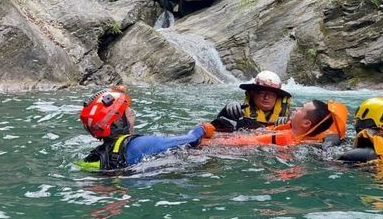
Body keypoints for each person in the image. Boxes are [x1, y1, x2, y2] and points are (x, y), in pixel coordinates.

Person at [78, 86, 214, 171]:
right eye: (126, 111)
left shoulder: (96, 155)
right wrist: (201, 129)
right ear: (118, 123)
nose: (131, 112)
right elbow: (191, 139)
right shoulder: (140, 144)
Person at [205, 99, 348, 147]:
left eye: (301, 109)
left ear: (306, 123)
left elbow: (234, 144)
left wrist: (205, 137)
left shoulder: (283, 138)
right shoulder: (288, 130)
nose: (296, 109)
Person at [215, 71, 291, 131]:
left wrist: (288, 120)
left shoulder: (290, 117)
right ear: (252, 93)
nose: (266, 97)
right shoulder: (239, 112)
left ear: (277, 97)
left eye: (271, 94)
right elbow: (215, 127)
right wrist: (225, 112)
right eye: (262, 92)